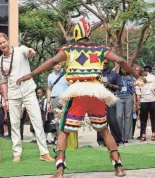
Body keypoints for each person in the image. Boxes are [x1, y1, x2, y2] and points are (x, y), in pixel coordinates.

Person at [17, 18, 142, 177]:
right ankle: (118, 167)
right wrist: (135, 75)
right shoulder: (101, 49)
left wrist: (32, 74)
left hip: (78, 92)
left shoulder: (69, 49)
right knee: (104, 130)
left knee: (63, 131)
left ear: (76, 32)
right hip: (97, 93)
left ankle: (60, 170)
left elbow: (52, 61)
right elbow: (122, 61)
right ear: (88, 33)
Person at [0, 33, 54, 163]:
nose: (3, 45)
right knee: (14, 124)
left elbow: (28, 51)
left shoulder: (20, 50)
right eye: (0, 44)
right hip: (13, 95)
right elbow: (3, 82)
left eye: (4, 42)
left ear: (8, 41)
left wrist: (31, 51)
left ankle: (44, 153)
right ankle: (17, 154)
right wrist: (6, 99)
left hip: (28, 91)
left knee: (38, 121)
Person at [97, 59, 124, 146]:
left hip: (109, 99)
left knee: (112, 120)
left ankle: (118, 140)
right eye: (102, 63)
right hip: (98, 100)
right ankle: (101, 141)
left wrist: (110, 85)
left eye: (105, 63)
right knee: (100, 121)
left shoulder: (114, 74)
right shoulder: (96, 74)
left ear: (108, 64)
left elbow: (120, 87)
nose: (103, 64)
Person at [136, 66, 155, 142]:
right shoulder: (140, 80)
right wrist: (138, 103)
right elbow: (138, 93)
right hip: (143, 101)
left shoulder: (153, 80)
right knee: (143, 119)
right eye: (145, 71)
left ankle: (153, 134)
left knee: (153, 118)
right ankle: (143, 134)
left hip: (152, 101)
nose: (146, 72)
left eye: (148, 71)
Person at [46, 63, 69, 144]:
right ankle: (59, 140)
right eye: (56, 64)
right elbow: (49, 89)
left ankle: (67, 140)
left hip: (65, 99)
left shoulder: (67, 74)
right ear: (53, 66)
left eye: (59, 64)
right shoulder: (50, 76)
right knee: (57, 120)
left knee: (66, 119)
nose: (57, 66)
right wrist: (48, 102)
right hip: (54, 99)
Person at [116, 68, 136, 143]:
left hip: (128, 96)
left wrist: (134, 103)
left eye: (124, 68)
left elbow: (133, 91)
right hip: (119, 96)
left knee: (128, 116)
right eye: (122, 68)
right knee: (119, 116)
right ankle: (120, 135)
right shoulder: (118, 77)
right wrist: (118, 65)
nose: (123, 69)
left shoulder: (131, 78)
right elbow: (113, 71)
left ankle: (126, 137)